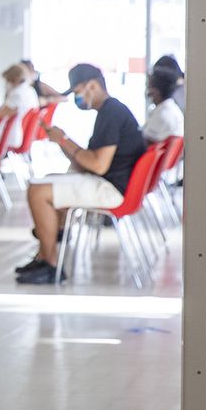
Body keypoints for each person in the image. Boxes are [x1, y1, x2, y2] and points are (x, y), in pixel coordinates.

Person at [16, 64, 146, 285]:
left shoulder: (111, 113)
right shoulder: (109, 111)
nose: (77, 99)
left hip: (111, 188)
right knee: (45, 181)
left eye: (77, 93)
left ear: (92, 86)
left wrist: (64, 140)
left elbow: (98, 165)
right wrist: (61, 141)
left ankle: (50, 263)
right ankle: (45, 251)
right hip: (109, 182)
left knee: (38, 192)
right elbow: (86, 161)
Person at [0, 63, 41, 129]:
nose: (6, 84)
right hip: (23, 130)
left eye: (7, 80)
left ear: (15, 79)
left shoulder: (17, 94)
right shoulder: (31, 91)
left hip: (12, 133)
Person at [143, 66, 185, 144]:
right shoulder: (169, 108)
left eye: (150, 87)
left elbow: (146, 141)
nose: (148, 92)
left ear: (158, 90)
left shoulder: (163, 114)